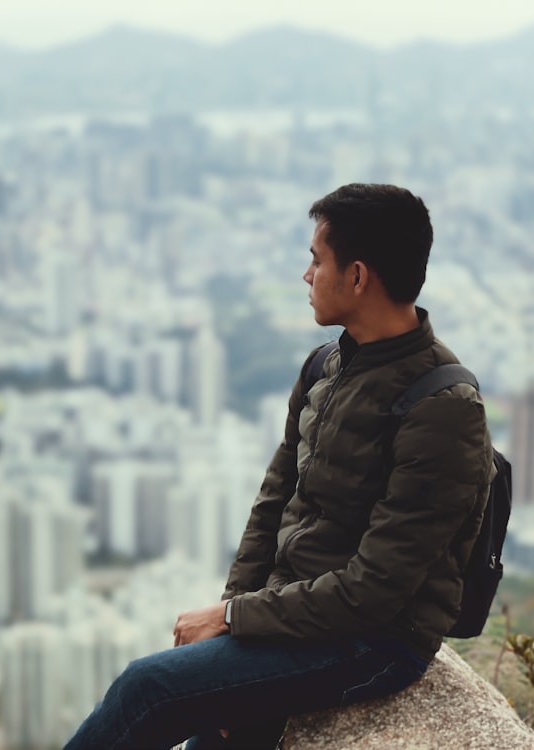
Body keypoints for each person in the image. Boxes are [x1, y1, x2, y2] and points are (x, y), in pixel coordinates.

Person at [63, 183, 495, 750]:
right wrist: (226, 620)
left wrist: (234, 620)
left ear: (359, 277)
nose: (306, 275)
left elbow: (375, 593)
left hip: (377, 643)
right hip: (297, 615)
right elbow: (273, 506)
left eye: (317, 261)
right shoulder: (326, 366)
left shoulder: (443, 407)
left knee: (148, 688)